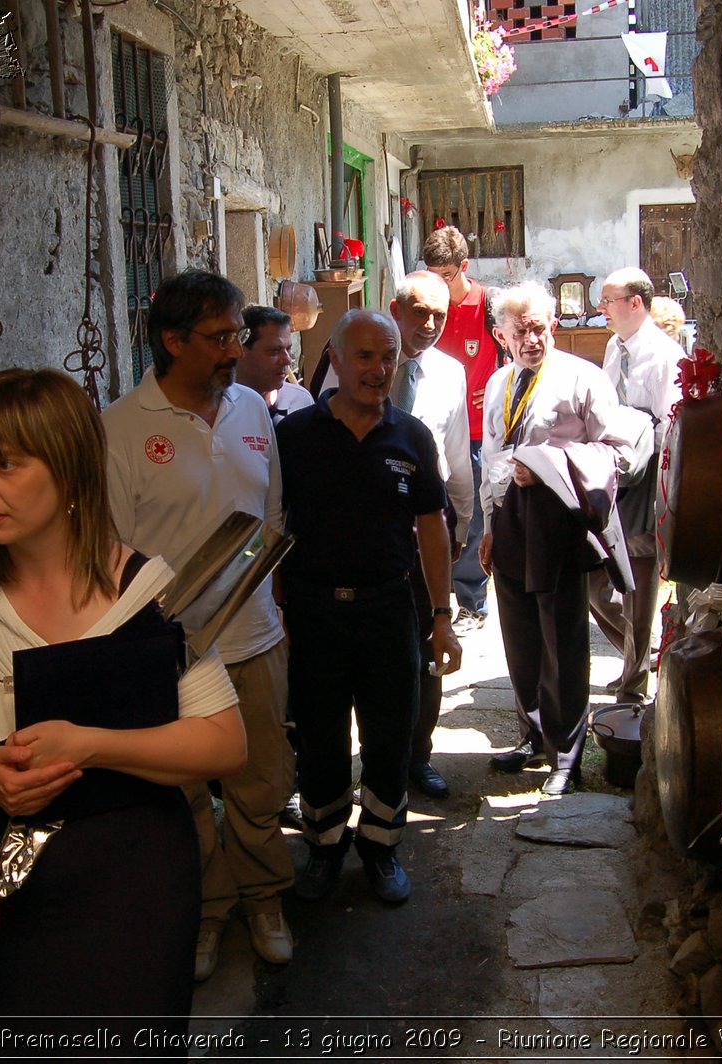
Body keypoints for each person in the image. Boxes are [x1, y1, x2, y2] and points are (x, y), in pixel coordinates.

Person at [0, 368, 246, 1051]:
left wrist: (90, 745)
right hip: (0, 876)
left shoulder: (149, 589)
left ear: (69, 469)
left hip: (135, 876)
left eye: (5, 465)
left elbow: (224, 742)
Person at [102, 270, 298, 982]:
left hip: (255, 640)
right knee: (182, 797)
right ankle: (205, 911)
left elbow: (272, 517)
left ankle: (265, 900)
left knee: (262, 784)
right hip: (168, 655)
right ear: (172, 340)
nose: (232, 351)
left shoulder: (252, 409)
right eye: (217, 338)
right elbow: (111, 551)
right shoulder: (121, 430)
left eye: (237, 336)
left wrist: (271, 614)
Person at [276, 309, 463, 904]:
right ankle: (325, 846)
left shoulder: (411, 437)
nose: (379, 370)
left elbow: (432, 530)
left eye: (389, 358)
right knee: (321, 738)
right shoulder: (295, 437)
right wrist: (274, 607)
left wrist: (441, 617)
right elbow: (269, 527)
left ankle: (380, 847)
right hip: (314, 616)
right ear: (333, 359)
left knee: (389, 735)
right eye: (364, 357)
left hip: (388, 613)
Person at [479, 284, 637, 795]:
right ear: (502, 334)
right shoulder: (500, 384)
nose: (532, 338)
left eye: (540, 327)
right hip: (510, 524)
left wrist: (554, 468)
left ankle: (566, 755)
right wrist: (488, 524)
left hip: (558, 528)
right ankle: (533, 733)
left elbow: (621, 453)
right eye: (520, 330)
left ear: (554, 326)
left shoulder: (582, 378)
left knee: (562, 640)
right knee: (520, 638)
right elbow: (491, 459)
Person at [387, 270, 473, 799]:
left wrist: (462, 517)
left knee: (428, 642)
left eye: (440, 315)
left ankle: (419, 755)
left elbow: (457, 453)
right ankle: (378, 756)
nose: (430, 324)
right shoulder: (355, 356)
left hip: (425, 523)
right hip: (370, 527)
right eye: (420, 312)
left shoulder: (449, 373)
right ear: (397, 310)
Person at [590, 268, 686, 702]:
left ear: (635, 303)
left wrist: (662, 494)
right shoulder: (614, 346)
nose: (601, 309)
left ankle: (634, 684)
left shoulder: (664, 355)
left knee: (639, 582)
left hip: (648, 475)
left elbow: (672, 424)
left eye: (608, 301)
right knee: (595, 586)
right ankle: (640, 656)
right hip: (612, 467)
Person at [422, 225, 504, 636]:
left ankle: (472, 602)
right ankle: (434, 594)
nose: (439, 285)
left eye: (447, 276)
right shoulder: (426, 307)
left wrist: (491, 393)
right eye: (432, 274)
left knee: (470, 513)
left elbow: (509, 360)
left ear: (464, 267)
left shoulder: (488, 303)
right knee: (432, 508)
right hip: (433, 425)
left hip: (475, 429)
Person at [237, 304, 315, 424]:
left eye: (288, 349)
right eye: (274, 351)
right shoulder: (218, 407)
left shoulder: (300, 402)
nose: (287, 360)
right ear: (241, 351)